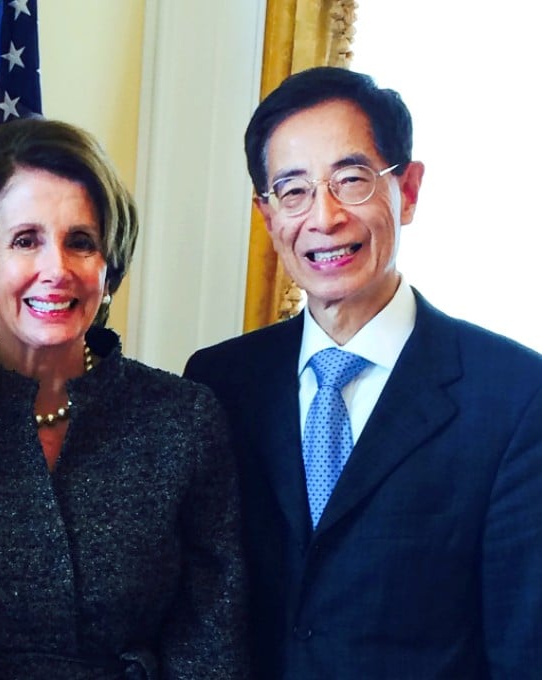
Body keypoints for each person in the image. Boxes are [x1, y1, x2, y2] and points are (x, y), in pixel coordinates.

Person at [0, 118, 247, 679]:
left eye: (81, 242)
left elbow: (212, 643)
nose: (56, 270)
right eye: (25, 241)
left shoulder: (183, 419)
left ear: (108, 268)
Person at [184, 66, 542, 678]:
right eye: (292, 191)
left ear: (407, 191)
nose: (324, 218)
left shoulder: (513, 395)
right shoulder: (220, 382)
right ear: (267, 215)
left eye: (351, 180)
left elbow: (522, 646)